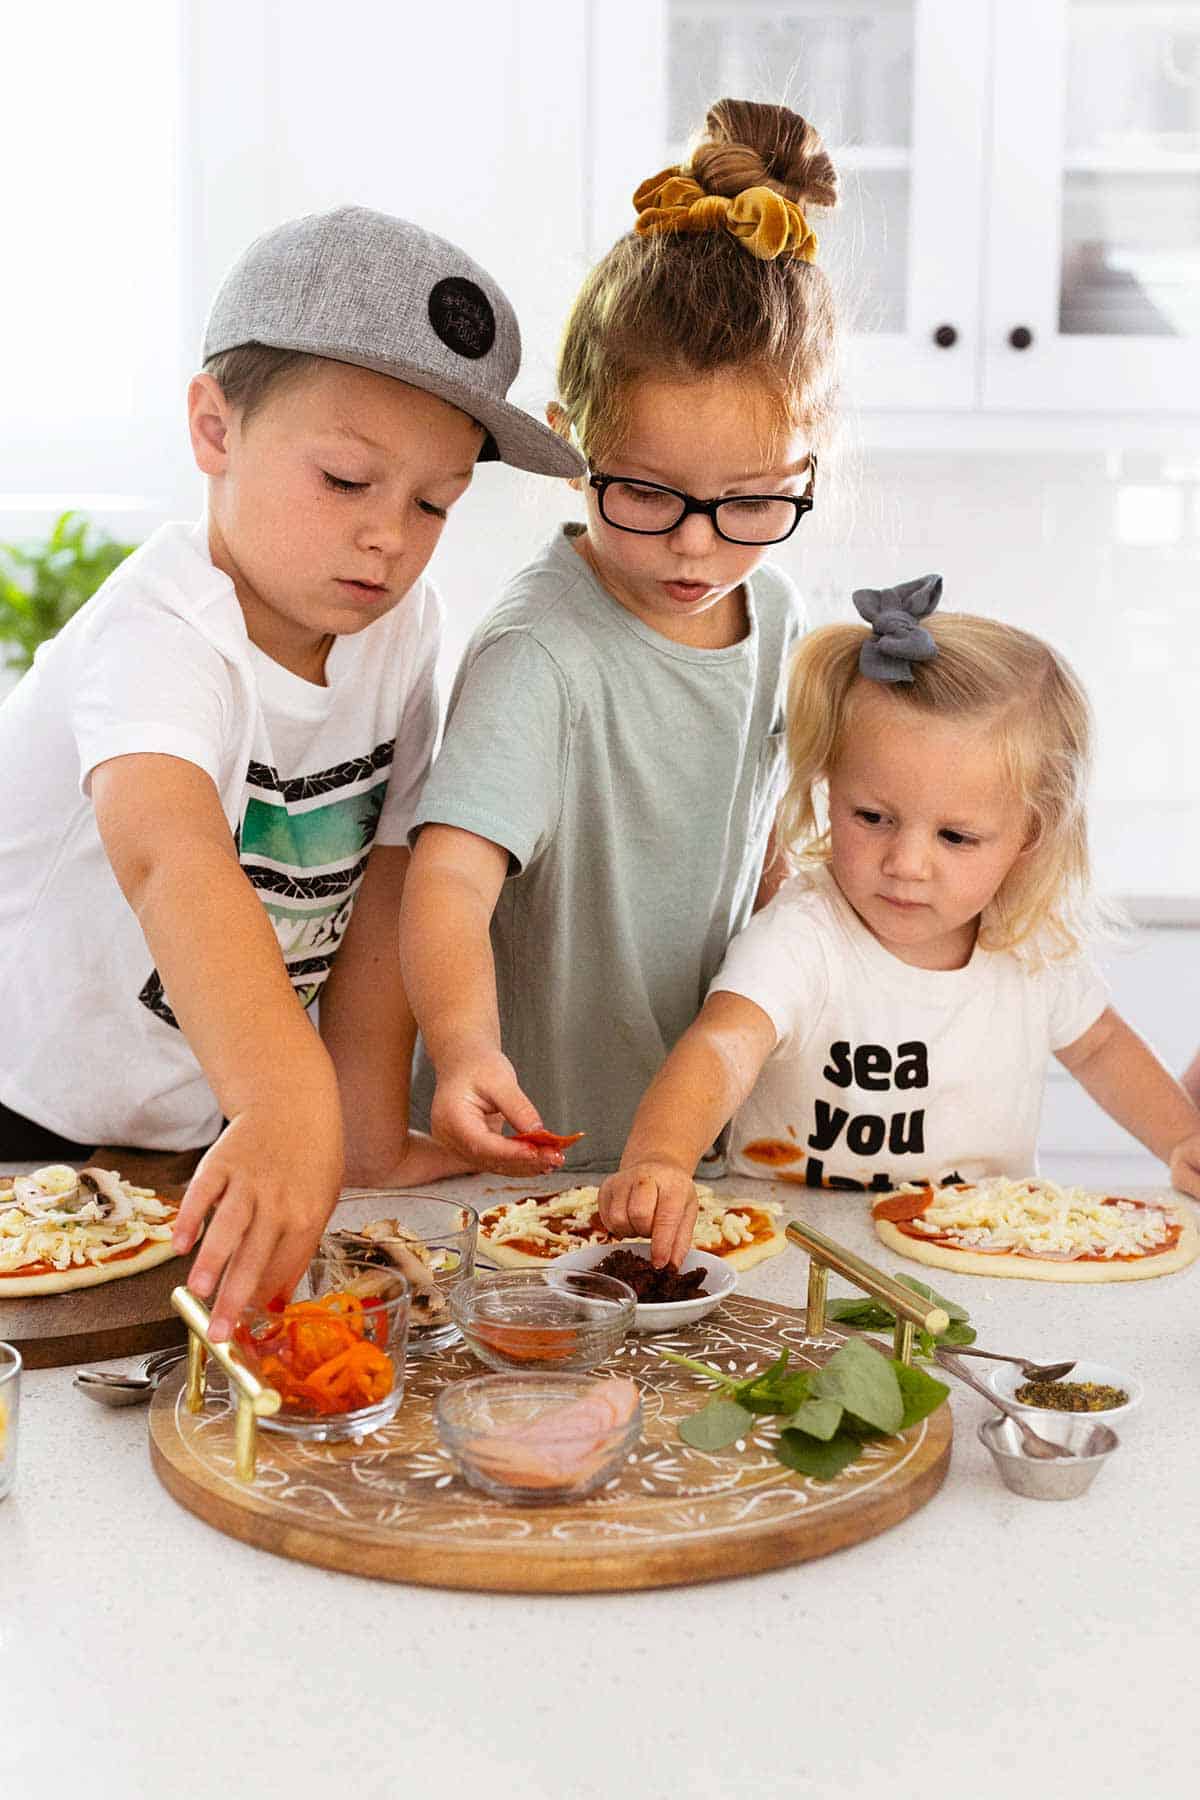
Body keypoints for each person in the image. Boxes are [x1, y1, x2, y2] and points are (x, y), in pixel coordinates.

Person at [0, 205, 581, 1338]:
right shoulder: (159, 632)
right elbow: (171, 857)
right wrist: (287, 1097)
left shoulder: (405, 632)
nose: (390, 538)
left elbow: (384, 886)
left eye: (434, 504)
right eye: (347, 481)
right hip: (25, 1120)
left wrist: (355, 1127)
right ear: (214, 428)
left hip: (208, 1125)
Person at [400, 98, 840, 1177]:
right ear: (568, 446)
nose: (697, 549)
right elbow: (448, 881)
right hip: (540, 1145)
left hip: (697, 1146)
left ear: (805, 464)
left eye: (749, 503)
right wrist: (464, 1052)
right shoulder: (541, 655)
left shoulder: (776, 613)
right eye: (647, 494)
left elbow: (766, 854)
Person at [598, 578, 1200, 1267]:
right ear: (829, 788)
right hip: (789, 1255)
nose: (906, 864)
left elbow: (1101, 1050)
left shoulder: (1030, 947)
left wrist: (1182, 1138)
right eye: (872, 818)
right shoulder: (807, 935)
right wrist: (661, 1158)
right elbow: (724, 1044)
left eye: (956, 837)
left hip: (980, 1251)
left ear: (1030, 835)